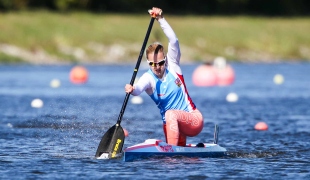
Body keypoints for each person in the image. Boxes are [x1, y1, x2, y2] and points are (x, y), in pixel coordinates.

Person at [125, 7, 203, 147]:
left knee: (170, 114)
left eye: (160, 63)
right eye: (152, 64)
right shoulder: (148, 78)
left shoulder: (173, 65)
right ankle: (177, 152)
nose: (157, 67)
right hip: (172, 125)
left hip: (193, 120)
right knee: (174, 163)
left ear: (165, 60)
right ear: (148, 63)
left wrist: (160, 19)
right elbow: (137, 90)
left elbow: (173, 41)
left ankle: (171, 150)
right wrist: (131, 89)